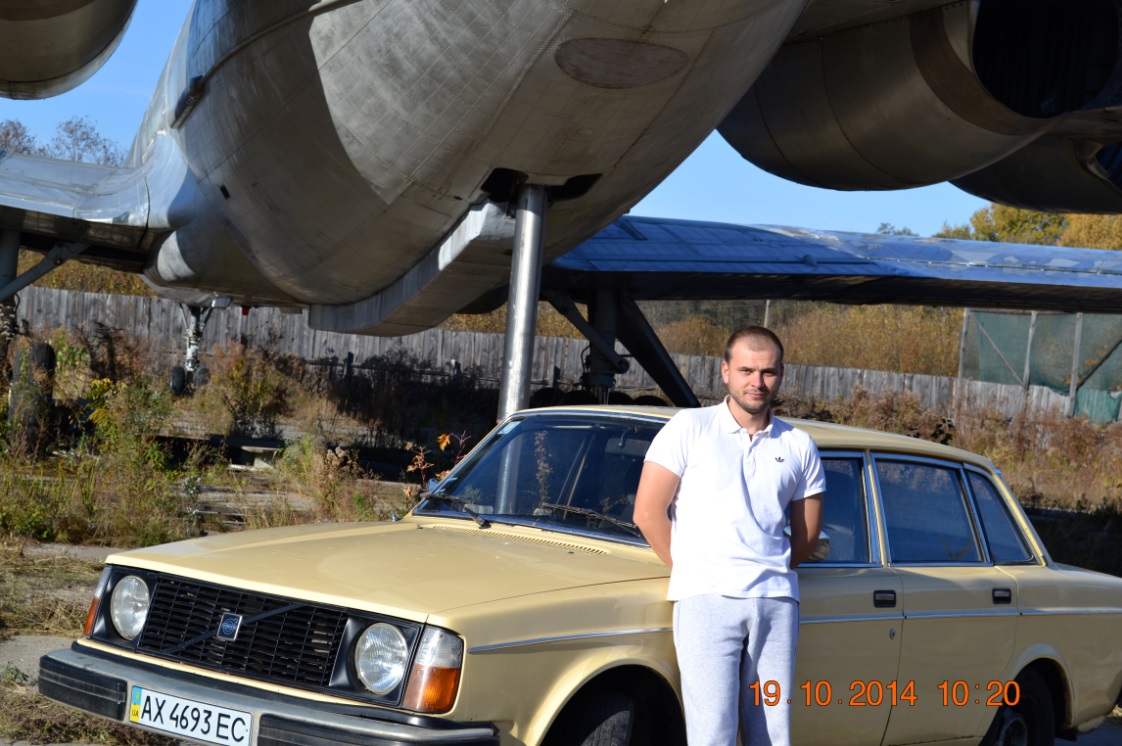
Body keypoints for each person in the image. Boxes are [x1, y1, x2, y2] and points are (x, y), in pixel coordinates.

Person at [634, 325, 825, 746]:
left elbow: (807, 537)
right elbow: (647, 513)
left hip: (776, 603)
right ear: (725, 372)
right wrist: (695, 569)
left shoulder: (799, 444)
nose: (757, 382)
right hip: (706, 601)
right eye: (746, 371)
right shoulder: (689, 427)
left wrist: (766, 568)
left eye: (768, 372)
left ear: (781, 374)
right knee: (712, 733)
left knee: (772, 733)